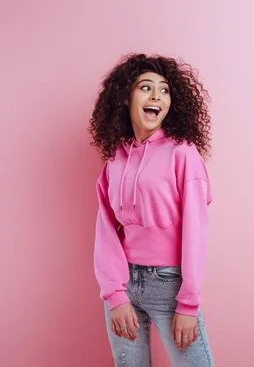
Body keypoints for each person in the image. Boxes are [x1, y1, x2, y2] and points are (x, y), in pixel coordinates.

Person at [89, 53, 215, 366]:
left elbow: (196, 231)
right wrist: (115, 294)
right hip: (124, 284)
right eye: (145, 87)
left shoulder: (183, 153)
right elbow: (106, 229)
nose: (156, 95)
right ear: (125, 97)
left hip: (171, 284)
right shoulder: (116, 158)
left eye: (164, 90)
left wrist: (187, 303)